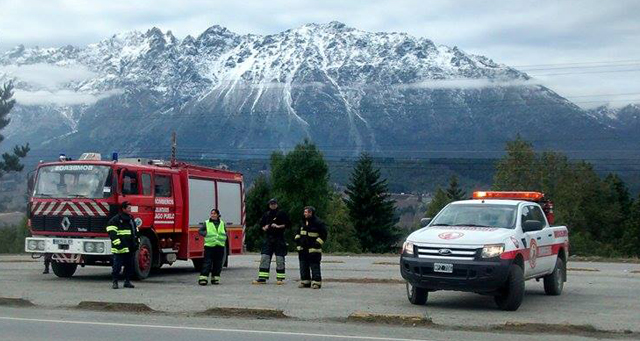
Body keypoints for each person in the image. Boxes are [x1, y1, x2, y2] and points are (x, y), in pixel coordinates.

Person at [252, 198, 290, 285]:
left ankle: (280, 278)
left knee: (280, 259)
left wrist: (277, 226)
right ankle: (262, 278)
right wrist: (264, 227)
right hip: (268, 239)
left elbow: (288, 225)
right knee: (264, 257)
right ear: (269, 205)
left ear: (277, 204)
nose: (273, 205)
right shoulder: (267, 214)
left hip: (279, 238)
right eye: (271, 204)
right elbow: (261, 224)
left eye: (274, 204)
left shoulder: (281, 213)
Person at [106, 201, 139, 289]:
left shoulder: (131, 219)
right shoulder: (115, 219)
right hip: (119, 247)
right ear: (123, 209)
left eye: (130, 208)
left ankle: (127, 281)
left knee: (129, 265)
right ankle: (115, 282)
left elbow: (135, 232)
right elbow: (112, 232)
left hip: (130, 247)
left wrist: (136, 242)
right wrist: (118, 244)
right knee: (117, 266)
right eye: (128, 208)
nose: (130, 210)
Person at [296, 206, 327, 289]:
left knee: (314, 265)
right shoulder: (302, 222)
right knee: (303, 265)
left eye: (307, 212)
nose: (306, 214)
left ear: (311, 213)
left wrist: (317, 244)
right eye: (305, 212)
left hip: (314, 249)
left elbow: (323, 235)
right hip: (303, 248)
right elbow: (297, 233)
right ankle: (305, 281)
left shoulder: (318, 223)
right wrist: (298, 242)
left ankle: (316, 282)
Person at [197, 209, 227, 285]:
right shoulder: (207, 223)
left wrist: (225, 236)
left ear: (218, 215)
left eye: (214, 214)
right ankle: (203, 278)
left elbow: (225, 232)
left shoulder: (222, 223)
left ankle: (215, 278)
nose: (213, 215)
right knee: (207, 262)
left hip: (220, 246)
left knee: (218, 263)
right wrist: (205, 234)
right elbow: (200, 231)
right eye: (212, 213)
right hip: (209, 246)